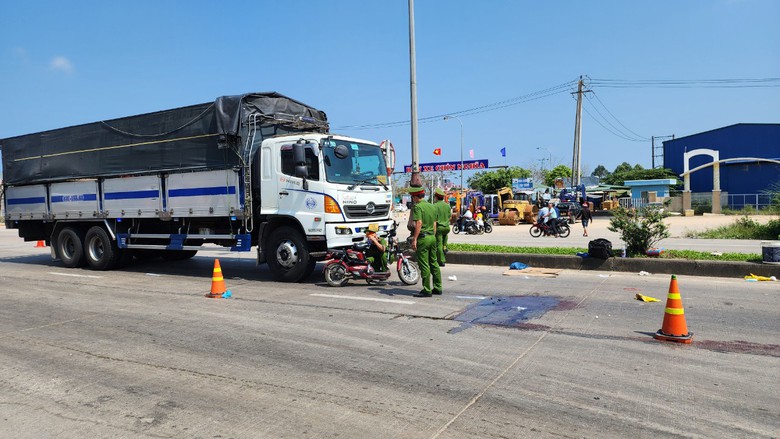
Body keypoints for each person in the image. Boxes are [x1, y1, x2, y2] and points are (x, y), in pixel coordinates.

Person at [410, 186, 441, 297]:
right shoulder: (432, 206)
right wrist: (432, 235)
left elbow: (419, 223)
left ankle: (427, 289)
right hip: (432, 237)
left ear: (414, 197)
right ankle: (438, 287)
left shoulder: (418, 207)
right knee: (434, 262)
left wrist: (414, 239)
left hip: (423, 238)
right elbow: (434, 224)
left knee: (424, 264)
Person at [433, 188, 450, 267]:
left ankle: (441, 261)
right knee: (444, 238)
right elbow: (449, 217)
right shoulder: (447, 206)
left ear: (436, 197)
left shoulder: (435, 206)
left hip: (439, 228)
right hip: (447, 227)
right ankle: (445, 247)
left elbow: (434, 220)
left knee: (438, 244)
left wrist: (434, 232)